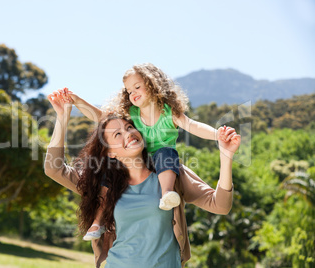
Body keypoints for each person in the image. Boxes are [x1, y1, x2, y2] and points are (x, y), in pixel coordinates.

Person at [44, 89, 241, 268]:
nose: (128, 134)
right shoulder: (105, 184)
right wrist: (62, 117)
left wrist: (226, 156)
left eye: (129, 127)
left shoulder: (170, 174)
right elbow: (54, 169)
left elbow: (220, 206)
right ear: (110, 152)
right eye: (117, 134)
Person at [67, 63, 227, 240]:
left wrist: (217, 135)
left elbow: (192, 126)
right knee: (110, 172)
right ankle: (98, 221)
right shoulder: (132, 114)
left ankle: (167, 194)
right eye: (129, 91)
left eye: (137, 87)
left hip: (163, 160)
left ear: (152, 85)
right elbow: (102, 118)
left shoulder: (169, 113)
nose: (133, 93)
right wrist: (77, 101)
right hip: (140, 160)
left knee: (165, 152)